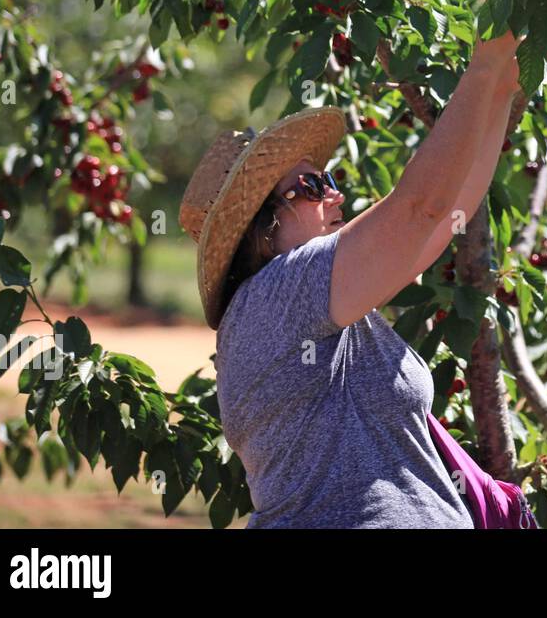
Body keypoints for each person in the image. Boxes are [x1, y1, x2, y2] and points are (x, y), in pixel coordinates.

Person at [178, 32, 521, 527]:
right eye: (312, 185)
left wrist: (503, 87)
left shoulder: (317, 305)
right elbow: (419, 209)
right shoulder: (274, 299)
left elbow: (448, 215)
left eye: (331, 180)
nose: (336, 196)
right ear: (260, 225)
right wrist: (481, 69)